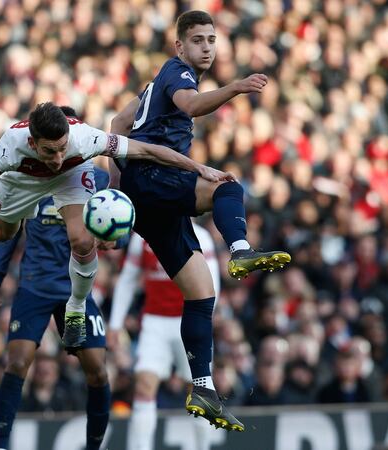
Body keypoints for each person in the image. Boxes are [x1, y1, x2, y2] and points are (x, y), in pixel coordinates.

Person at [110, 10, 290, 430]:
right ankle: (241, 249)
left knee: (201, 292)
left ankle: (203, 388)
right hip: (156, 176)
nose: (206, 47)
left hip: (146, 195)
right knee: (227, 187)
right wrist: (237, 88)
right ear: (180, 46)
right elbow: (190, 105)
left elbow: (119, 124)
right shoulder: (178, 73)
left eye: (211, 40)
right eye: (198, 40)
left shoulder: (155, 83)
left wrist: (119, 187)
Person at [0, 102, 228, 350]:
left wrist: (198, 168)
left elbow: (147, 151)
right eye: (50, 150)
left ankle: (76, 306)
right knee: (2, 234)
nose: (58, 157)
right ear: (33, 143)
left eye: (62, 147)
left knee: (82, 240)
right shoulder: (9, 146)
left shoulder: (84, 138)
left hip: (70, 178)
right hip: (21, 182)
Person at [0, 150, 118, 450]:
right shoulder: (28, 178)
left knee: (97, 370)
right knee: (17, 362)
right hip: (35, 285)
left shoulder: (100, 179)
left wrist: (113, 238)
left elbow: (115, 220)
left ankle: (94, 446)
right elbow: (10, 230)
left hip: (77, 287)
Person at [108, 223, 219, 450]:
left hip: (189, 320)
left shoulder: (202, 238)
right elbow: (128, 279)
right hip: (154, 322)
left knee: (199, 391)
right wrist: (115, 323)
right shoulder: (143, 239)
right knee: (143, 386)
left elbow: (212, 286)